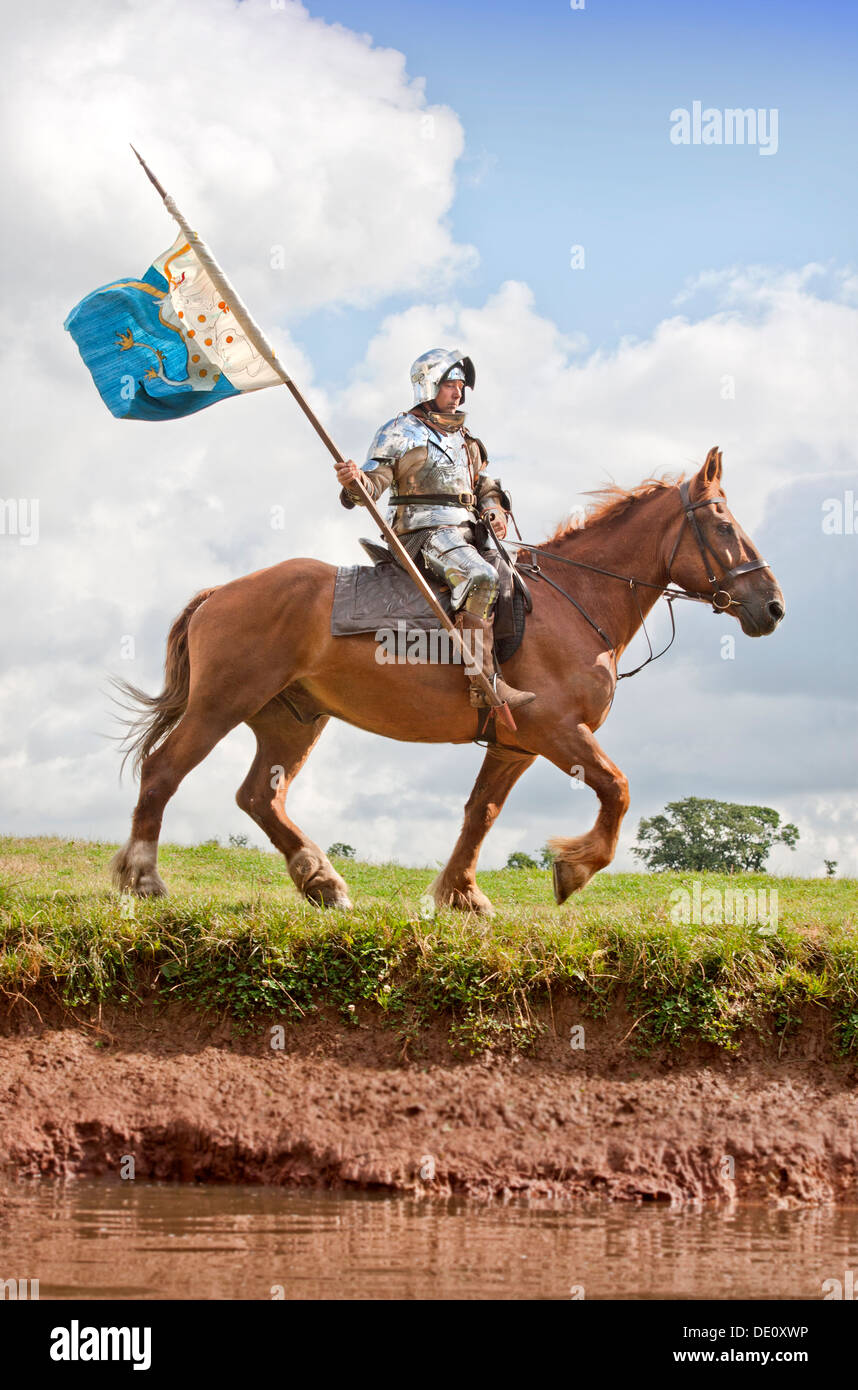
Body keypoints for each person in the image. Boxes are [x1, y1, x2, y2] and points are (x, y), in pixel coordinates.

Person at [336, 349, 535, 711]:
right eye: (449, 385)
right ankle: (484, 683)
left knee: (518, 574)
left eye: (461, 386)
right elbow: (373, 485)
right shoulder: (399, 432)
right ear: (428, 387)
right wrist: (356, 480)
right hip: (420, 531)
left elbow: (484, 486)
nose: (457, 393)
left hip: (467, 532)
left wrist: (492, 510)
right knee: (481, 578)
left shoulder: (465, 439)